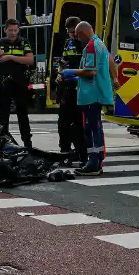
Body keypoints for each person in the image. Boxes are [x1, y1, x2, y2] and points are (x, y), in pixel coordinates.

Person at [61, 21, 114, 176]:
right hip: (95, 92)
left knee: (91, 129)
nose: (77, 38)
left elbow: (90, 72)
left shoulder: (91, 46)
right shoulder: (100, 45)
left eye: (77, 35)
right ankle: (96, 160)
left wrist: (69, 72)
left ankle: (94, 163)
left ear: (83, 32)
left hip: (91, 94)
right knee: (94, 128)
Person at [0, 19, 35, 148]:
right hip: (4, 84)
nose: (13, 33)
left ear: (18, 30)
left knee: (23, 115)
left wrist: (10, 57)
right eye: (11, 30)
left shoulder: (23, 42)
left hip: (20, 83)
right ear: (5, 30)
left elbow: (30, 60)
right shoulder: (0, 43)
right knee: (3, 117)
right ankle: (4, 145)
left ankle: (28, 145)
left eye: (16, 30)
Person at [53, 16, 86, 165]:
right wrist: (59, 74)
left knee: (79, 123)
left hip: (80, 87)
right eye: (69, 32)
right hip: (66, 87)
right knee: (63, 122)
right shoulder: (68, 43)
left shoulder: (85, 45)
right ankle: (65, 150)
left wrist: (69, 73)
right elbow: (63, 62)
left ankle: (81, 152)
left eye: (73, 31)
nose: (71, 34)